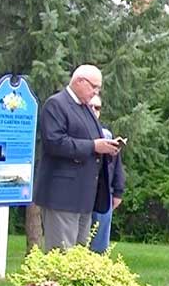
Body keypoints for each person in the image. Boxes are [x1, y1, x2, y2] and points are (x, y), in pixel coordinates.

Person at [34, 65, 121, 250]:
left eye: (98, 88)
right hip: (61, 196)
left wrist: (106, 148)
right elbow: (55, 142)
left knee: (79, 255)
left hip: (84, 197)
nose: (96, 92)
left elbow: (92, 141)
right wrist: (94, 146)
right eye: (93, 87)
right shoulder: (56, 104)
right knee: (62, 253)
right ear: (79, 81)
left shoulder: (86, 109)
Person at [88, 95, 125, 253]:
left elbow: (116, 166)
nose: (94, 111)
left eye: (97, 108)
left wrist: (118, 192)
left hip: (103, 195)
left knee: (99, 245)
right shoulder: (75, 132)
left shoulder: (107, 135)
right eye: (90, 106)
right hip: (80, 193)